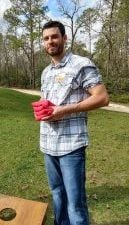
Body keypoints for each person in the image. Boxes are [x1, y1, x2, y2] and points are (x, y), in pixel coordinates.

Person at [39, 21, 109, 225]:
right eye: (46, 38)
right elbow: (51, 103)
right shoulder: (46, 72)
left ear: (64, 38)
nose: (50, 41)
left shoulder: (81, 64)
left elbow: (102, 97)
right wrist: (44, 109)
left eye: (54, 36)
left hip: (71, 146)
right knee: (58, 196)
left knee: (75, 204)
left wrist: (65, 110)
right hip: (48, 144)